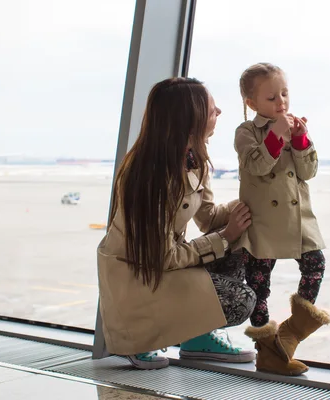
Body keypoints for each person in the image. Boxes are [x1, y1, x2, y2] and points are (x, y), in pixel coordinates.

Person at [97, 77, 257, 370]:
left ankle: (197, 339)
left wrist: (253, 200)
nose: (219, 112)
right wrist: (224, 237)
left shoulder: (193, 158)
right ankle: (142, 335)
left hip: (165, 265)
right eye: (211, 110)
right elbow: (164, 256)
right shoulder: (151, 177)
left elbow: (209, 217)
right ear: (191, 119)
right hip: (141, 278)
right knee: (241, 300)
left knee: (238, 249)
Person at [234, 63, 330, 376]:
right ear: (252, 104)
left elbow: (308, 172)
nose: (282, 102)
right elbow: (258, 166)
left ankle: (289, 335)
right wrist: (276, 135)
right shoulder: (246, 131)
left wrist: (301, 141)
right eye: (272, 97)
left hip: (298, 220)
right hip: (262, 222)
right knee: (259, 285)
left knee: (315, 264)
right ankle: (268, 352)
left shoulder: (293, 129)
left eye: (285, 93)